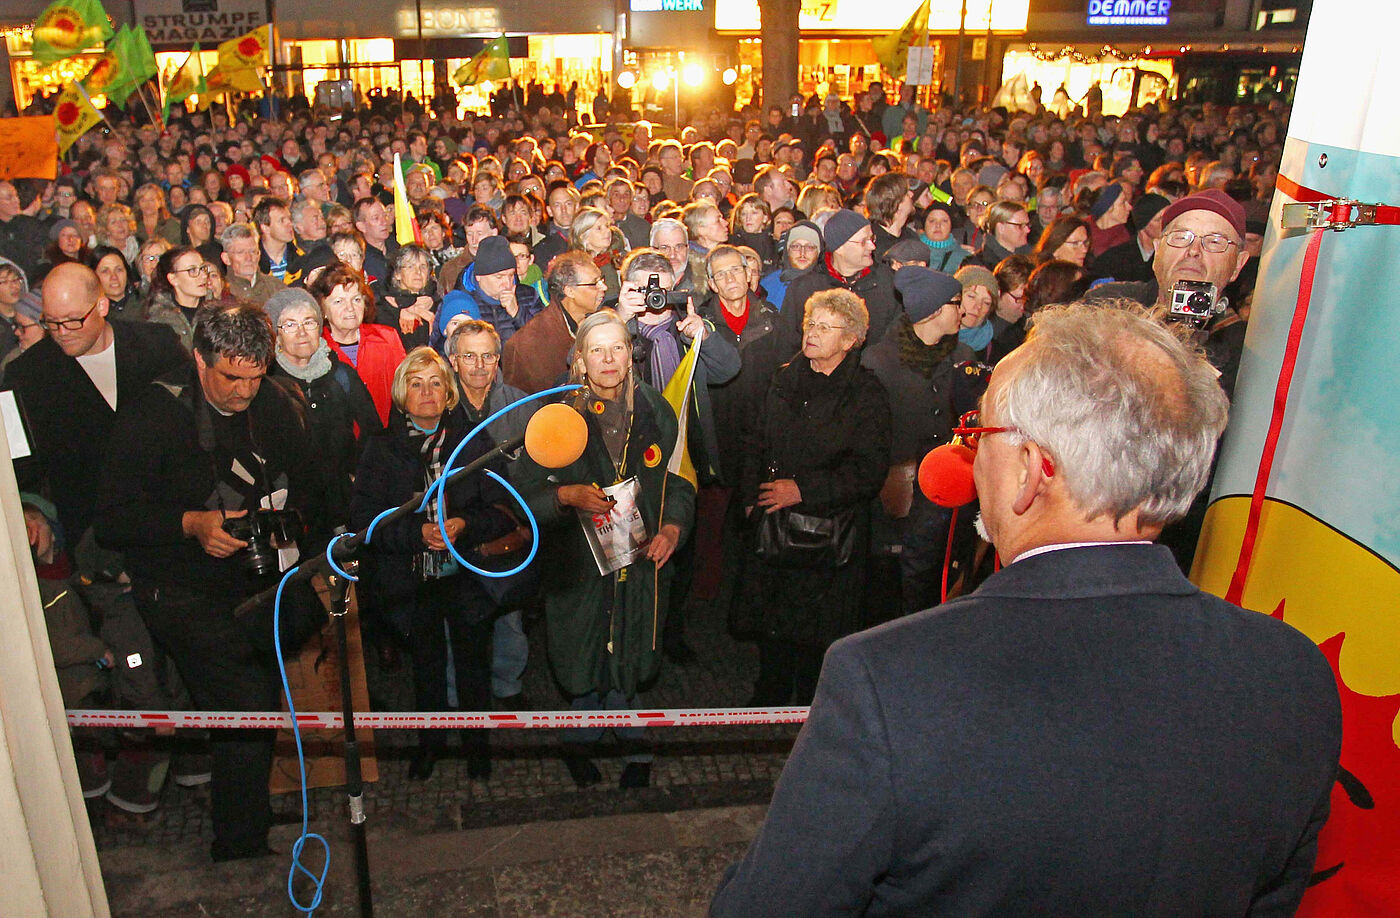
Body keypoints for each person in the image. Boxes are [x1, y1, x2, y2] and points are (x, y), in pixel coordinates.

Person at [711, 301, 1341, 918]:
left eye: (975, 432)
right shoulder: (1292, 672)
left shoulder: (888, 680)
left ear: (1033, 471)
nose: (966, 455)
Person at [95, 304, 326, 863]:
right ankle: (240, 845)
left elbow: (312, 486)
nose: (246, 391)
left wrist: (289, 524)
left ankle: (246, 809)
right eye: (232, 378)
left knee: (256, 701)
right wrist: (192, 524)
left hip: (257, 583)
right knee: (245, 702)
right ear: (200, 360)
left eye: (256, 375)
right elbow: (113, 520)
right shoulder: (152, 414)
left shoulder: (270, 400)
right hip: (179, 590)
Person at [515, 309, 695, 789]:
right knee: (583, 653)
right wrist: (565, 496)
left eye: (618, 347)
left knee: (632, 652)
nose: (609, 359)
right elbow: (524, 492)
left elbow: (679, 479)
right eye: (597, 350)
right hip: (577, 563)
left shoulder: (656, 410)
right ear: (580, 359)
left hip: (640, 562)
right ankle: (578, 742)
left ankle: (635, 745)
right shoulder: (556, 415)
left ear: (631, 354)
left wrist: (674, 528)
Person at [350, 347, 518, 780]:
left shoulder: (474, 443)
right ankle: (431, 743)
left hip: (468, 572)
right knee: (425, 665)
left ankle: (478, 747)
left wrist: (463, 523)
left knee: (473, 664)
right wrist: (415, 534)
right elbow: (367, 524)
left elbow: (502, 511)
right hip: (412, 576)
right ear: (402, 393)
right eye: (416, 383)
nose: (426, 392)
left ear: (449, 394)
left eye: (436, 383)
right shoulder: (382, 450)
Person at [737, 288, 891, 706]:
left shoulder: (866, 393)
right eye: (810, 323)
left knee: (816, 635)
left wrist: (803, 491)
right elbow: (753, 439)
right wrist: (752, 497)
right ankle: (767, 698)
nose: (813, 333)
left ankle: (811, 708)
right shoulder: (783, 378)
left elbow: (868, 471)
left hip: (830, 536)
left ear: (850, 339)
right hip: (775, 526)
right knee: (772, 624)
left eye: (826, 327)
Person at [861, 267, 973, 615]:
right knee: (892, 582)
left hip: (950, 496)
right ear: (936, 309)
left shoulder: (963, 357)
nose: (964, 311)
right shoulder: (879, 362)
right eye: (958, 303)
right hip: (894, 498)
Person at [446, 319, 538, 709]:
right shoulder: (441, 404)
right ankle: (455, 697)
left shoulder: (520, 405)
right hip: (455, 530)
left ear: (498, 358)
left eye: (488, 355)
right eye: (469, 356)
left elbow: (536, 471)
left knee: (508, 616)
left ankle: (508, 685)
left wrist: (523, 527)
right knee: (453, 620)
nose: (480, 365)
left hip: (506, 526)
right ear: (453, 360)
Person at [265, 287, 382, 523]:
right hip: (293, 511)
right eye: (289, 324)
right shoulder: (267, 384)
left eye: (309, 322)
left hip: (345, 503)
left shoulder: (341, 374)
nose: (301, 332)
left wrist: (356, 477)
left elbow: (374, 432)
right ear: (275, 333)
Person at [778, 209, 900, 355]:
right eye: (863, 242)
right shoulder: (806, 287)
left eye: (872, 239)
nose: (872, 247)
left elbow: (896, 343)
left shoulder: (888, 283)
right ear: (839, 248)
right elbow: (786, 345)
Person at [315, 262, 407, 426]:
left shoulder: (387, 338)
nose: (350, 308)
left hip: (385, 442)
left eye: (356, 299)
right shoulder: (316, 349)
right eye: (338, 301)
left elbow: (406, 393)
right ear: (322, 309)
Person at [502, 250, 606, 393]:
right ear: (569, 291)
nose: (604, 288)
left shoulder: (597, 322)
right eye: (594, 283)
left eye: (602, 280)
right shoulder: (532, 343)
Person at [144, 246, 220, 352]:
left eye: (202, 268)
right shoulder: (160, 320)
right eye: (192, 270)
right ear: (173, 279)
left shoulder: (217, 313)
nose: (203, 276)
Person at [376, 243, 439, 350]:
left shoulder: (438, 305)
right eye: (410, 266)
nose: (418, 272)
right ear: (397, 274)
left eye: (423, 267)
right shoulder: (383, 310)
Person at [759, 221, 822, 310]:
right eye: (796, 246)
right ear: (787, 250)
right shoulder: (768, 285)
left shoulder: (829, 288)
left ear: (818, 252)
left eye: (810, 247)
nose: (802, 253)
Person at [219, 222, 282, 307]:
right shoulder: (220, 290)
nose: (248, 258)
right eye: (240, 252)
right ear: (226, 258)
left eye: (252, 251)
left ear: (259, 254)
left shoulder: (276, 287)